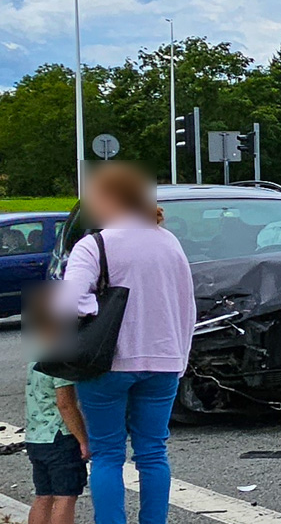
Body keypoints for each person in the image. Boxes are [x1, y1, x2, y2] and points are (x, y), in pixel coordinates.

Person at [63, 163, 196, 524]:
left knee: (107, 454)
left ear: (110, 198)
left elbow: (69, 301)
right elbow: (187, 305)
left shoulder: (95, 245)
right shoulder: (169, 242)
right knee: (153, 452)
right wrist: (179, 359)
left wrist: (94, 305)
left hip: (108, 362)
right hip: (164, 361)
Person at [24, 298, 90, 524]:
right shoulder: (60, 360)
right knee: (65, 497)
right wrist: (82, 439)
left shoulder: (36, 356)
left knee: (43, 495)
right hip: (59, 437)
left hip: (35, 437)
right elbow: (65, 404)